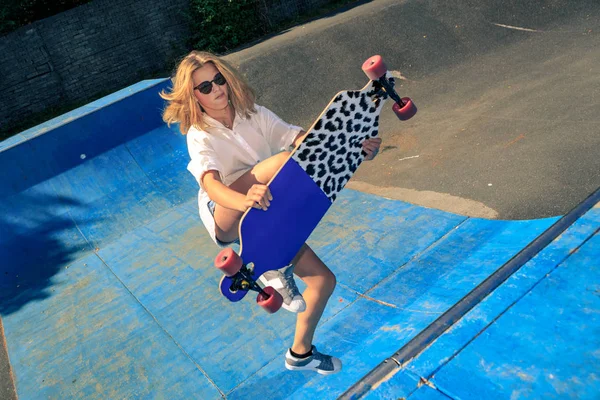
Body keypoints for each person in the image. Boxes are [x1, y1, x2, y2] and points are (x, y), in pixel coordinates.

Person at [160, 51, 381, 375]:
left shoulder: (254, 114)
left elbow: (302, 141)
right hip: (225, 214)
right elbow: (211, 184)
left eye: (218, 80)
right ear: (193, 97)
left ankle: (300, 352)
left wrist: (351, 145)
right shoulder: (199, 134)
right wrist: (243, 201)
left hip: (267, 212)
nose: (217, 89)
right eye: (205, 87)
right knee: (280, 164)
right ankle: (269, 269)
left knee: (323, 281)